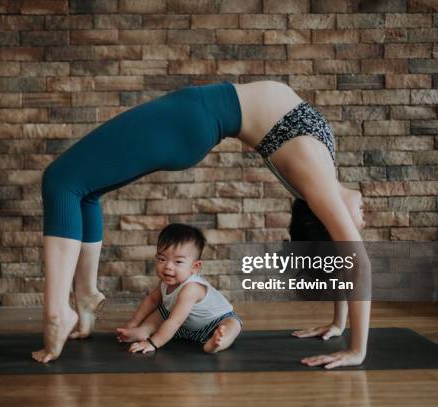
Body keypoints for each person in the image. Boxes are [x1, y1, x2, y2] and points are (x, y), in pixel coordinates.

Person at [32, 80, 370, 368]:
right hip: (194, 116)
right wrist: (338, 325)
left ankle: (56, 312)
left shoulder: (315, 178)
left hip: (191, 119)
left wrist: (356, 349)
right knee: (85, 190)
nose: (358, 228)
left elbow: (354, 262)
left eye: (351, 232)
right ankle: (87, 296)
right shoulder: (321, 174)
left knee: (60, 181)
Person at [115, 223, 242, 354]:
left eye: (178, 262)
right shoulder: (165, 283)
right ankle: (144, 330)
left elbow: (175, 322)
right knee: (162, 311)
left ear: (195, 267)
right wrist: (134, 322)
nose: (168, 266)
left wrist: (153, 343)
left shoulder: (191, 288)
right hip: (186, 326)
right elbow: (152, 300)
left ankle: (217, 343)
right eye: (162, 259)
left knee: (232, 325)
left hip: (215, 323)